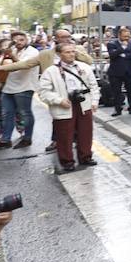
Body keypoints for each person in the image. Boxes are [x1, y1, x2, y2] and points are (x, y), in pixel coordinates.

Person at [0, 29, 93, 153]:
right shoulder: (45, 54)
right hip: (57, 91)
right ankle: (57, 141)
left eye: (68, 36)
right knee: (59, 117)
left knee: (80, 117)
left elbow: (89, 61)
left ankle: (81, 145)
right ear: (56, 38)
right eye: (63, 37)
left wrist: (76, 51)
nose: (67, 39)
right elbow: (25, 64)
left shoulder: (77, 50)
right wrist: (2, 67)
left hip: (77, 90)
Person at [38, 42, 101, 172]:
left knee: (86, 133)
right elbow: (43, 92)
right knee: (64, 135)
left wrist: (94, 102)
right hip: (64, 106)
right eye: (67, 52)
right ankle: (67, 161)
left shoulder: (84, 67)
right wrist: (59, 100)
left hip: (83, 104)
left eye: (73, 51)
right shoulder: (51, 71)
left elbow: (93, 86)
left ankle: (86, 157)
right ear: (59, 54)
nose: (71, 54)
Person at [0, 32, 40, 149]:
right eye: (15, 41)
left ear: (27, 40)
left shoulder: (33, 51)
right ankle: (5, 139)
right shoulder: (13, 50)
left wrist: (11, 55)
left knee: (25, 113)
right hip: (9, 87)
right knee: (6, 114)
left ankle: (27, 138)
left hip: (25, 87)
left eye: (21, 40)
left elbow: (23, 65)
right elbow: (4, 67)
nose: (19, 42)